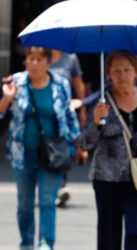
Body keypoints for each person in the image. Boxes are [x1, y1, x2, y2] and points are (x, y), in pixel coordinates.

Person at [79, 50, 137, 250]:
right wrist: (96, 122)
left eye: (127, 70)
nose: (122, 75)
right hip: (107, 179)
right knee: (109, 235)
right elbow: (84, 143)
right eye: (116, 70)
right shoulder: (101, 102)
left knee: (135, 231)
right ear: (108, 73)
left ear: (136, 72)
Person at [0, 47, 81, 250]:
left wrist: (79, 145)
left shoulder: (60, 84)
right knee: (25, 204)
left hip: (52, 154)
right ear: (25, 62)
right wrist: (7, 98)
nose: (35, 63)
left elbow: (69, 116)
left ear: (48, 62)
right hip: (22, 155)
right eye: (31, 59)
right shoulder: (16, 83)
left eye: (39, 59)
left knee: (47, 201)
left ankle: (46, 244)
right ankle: (26, 243)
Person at [50, 49, 89, 207]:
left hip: (64, 113)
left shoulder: (71, 58)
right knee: (46, 149)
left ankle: (61, 184)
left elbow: (78, 84)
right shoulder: (40, 57)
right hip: (44, 113)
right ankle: (52, 186)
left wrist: (83, 108)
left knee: (63, 148)